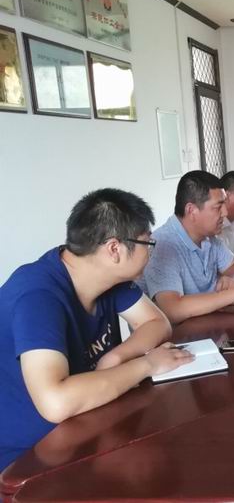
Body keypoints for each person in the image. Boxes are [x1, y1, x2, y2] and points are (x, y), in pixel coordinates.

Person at [0, 189, 194, 471]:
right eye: (147, 243)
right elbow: (55, 402)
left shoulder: (106, 278)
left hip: (85, 427)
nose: (151, 252)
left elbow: (157, 323)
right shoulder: (37, 295)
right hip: (25, 460)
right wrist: (147, 364)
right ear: (114, 249)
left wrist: (115, 358)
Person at [141, 171, 234, 324]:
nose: (225, 212)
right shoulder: (162, 245)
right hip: (179, 335)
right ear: (191, 210)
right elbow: (173, 310)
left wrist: (231, 280)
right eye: (218, 207)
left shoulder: (208, 237)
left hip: (211, 324)